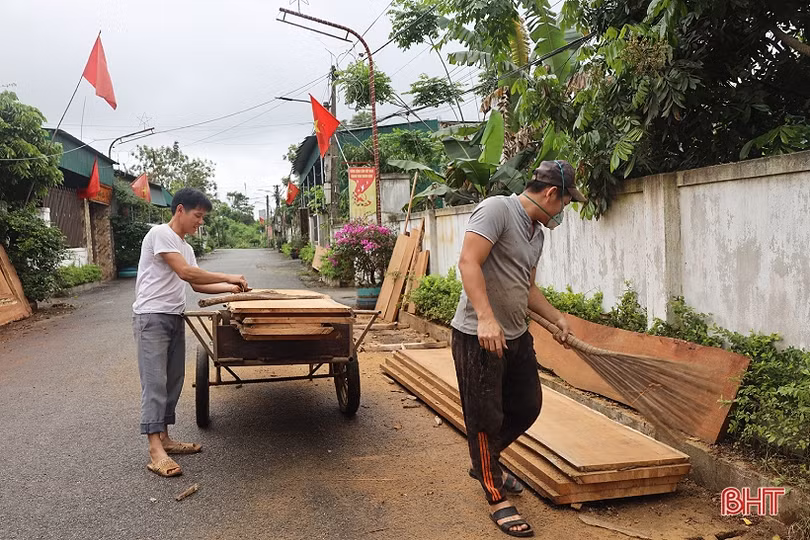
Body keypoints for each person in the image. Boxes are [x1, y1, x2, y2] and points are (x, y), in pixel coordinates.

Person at [450, 160, 587, 536]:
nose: (563, 212)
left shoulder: (536, 234)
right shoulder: (497, 210)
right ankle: (495, 495)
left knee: (528, 405)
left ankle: (485, 460)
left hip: (516, 335)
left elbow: (526, 288)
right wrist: (485, 318)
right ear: (551, 194)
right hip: (477, 336)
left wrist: (557, 316)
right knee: (484, 418)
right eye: (565, 203)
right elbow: (468, 262)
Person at [133, 187, 248, 477]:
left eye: (203, 217)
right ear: (180, 210)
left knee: (173, 379)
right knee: (155, 382)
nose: (201, 222)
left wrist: (232, 289)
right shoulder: (161, 234)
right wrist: (228, 276)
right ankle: (154, 449)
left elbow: (198, 285)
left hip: (173, 316)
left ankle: (166, 438)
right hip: (151, 317)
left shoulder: (186, 247)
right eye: (198, 216)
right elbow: (186, 273)